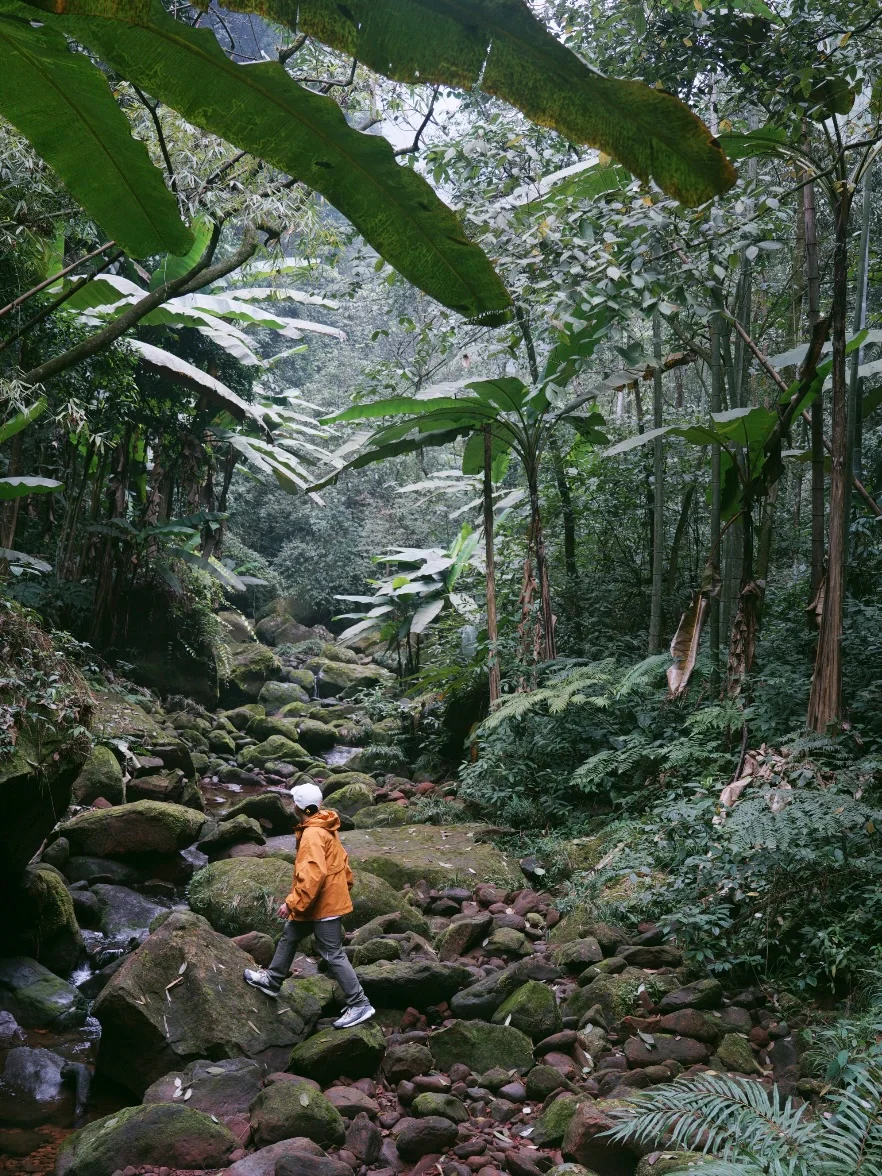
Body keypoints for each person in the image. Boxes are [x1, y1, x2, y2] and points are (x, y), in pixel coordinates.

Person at [243, 781, 375, 1029]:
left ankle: (360, 1004)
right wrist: (343, 887)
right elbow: (342, 862)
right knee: (290, 935)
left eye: (293, 802)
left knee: (332, 953)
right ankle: (273, 980)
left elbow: (313, 875)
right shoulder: (324, 824)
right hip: (321, 900)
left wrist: (292, 903)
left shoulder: (313, 834)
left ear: (299, 807)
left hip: (323, 903)